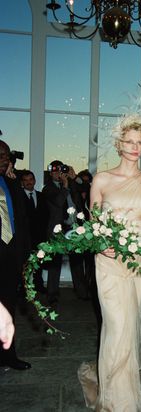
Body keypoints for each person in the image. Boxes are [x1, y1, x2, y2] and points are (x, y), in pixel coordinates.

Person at [78, 113, 141, 411]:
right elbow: (92, 224)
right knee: (117, 325)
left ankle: (119, 390)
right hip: (110, 259)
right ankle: (118, 401)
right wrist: (102, 246)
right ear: (118, 144)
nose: (134, 147)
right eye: (128, 142)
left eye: (139, 142)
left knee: (132, 326)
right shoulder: (102, 179)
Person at [0, 140, 31, 370]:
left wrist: (14, 183)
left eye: (7, 156)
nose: (5, 159)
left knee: (8, 307)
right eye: (1, 155)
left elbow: (22, 216)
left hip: (10, 254)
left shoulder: (9, 183)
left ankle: (8, 356)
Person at [42, 160, 89, 304]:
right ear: (50, 174)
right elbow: (58, 202)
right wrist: (65, 186)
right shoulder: (48, 188)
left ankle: (81, 292)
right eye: (55, 172)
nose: (58, 174)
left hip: (75, 228)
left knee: (77, 261)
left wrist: (74, 177)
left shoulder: (72, 183)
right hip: (58, 229)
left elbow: (86, 187)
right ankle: (52, 294)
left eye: (60, 171)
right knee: (55, 262)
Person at [21, 170, 49, 293]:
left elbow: (46, 215)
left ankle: (39, 285)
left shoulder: (41, 196)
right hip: (24, 237)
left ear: (35, 181)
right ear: (22, 182)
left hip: (40, 236)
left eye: (31, 179)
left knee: (39, 262)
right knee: (24, 264)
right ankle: (23, 288)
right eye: (26, 180)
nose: (29, 182)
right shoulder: (18, 197)